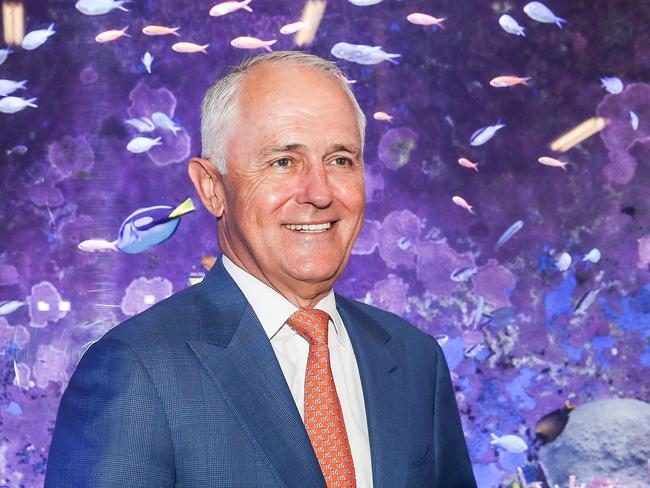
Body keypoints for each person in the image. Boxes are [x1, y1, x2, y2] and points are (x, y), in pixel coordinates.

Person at [44, 51, 477, 488]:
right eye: (283, 161)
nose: (319, 192)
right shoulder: (136, 369)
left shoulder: (415, 359)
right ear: (212, 189)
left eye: (341, 160)